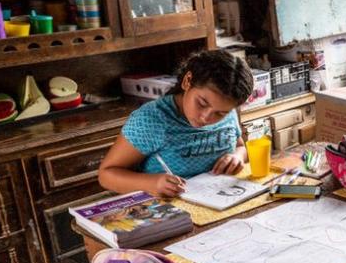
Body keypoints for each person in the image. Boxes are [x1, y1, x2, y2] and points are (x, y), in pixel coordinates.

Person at [98, 50, 254, 198]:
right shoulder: (152, 119)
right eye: (202, 103)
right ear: (187, 81)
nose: (206, 117)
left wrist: (237, 156)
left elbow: (240, 146)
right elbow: (106, 175)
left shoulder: (228, 110)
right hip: (169, 208)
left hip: (220, 201)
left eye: (220, 113)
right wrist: (151, 184)